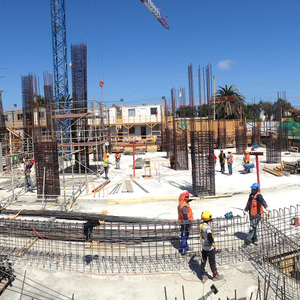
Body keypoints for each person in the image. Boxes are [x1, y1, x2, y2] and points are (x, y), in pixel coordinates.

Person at [200, 211, 223, 283]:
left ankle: (203, 276)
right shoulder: (208, 228)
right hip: (210, 248)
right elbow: (210, 236)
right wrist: (212, 243)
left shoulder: (201, 225)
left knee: (203, 261)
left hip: (204, 247)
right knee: (212, 262)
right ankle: (215, 275)